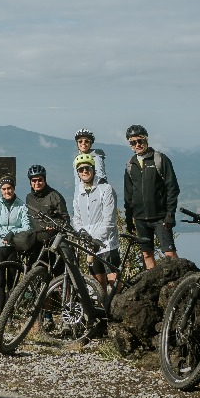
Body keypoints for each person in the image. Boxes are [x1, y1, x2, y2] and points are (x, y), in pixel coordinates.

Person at [123, 125, 180, 270]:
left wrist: (170, 214)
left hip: (160, 218)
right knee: (147, 255)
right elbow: (128, 195)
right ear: (130, 144)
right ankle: (154, 287)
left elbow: (172, 188)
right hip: (140, 219)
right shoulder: (130, 165)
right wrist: (129, 219)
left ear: (146, 139)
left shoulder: (159, 159)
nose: (137, 144)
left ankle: (178, 287)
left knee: (169, 254)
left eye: (140, 140)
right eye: (133, 142)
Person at [73, 154, 120, 291]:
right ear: (78, 173)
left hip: (107, 244)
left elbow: (109, 219)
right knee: (98, 287)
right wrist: (81, 233)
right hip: (90, 245)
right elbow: (77, 219)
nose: (85, 171)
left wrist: (98, 239)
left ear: (93, 169)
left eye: (87, 168)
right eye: (81, 170)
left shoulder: (105, 189)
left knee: (115, 285)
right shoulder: (78, 194)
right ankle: (105, 312)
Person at [0, 174, 33, 313]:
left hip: (14, 246)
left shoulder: (21, 205)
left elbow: (27, 226)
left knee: (12, 282)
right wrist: (6, 233)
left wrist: (12, 233)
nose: (7, 191)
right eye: (4, 189)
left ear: (13, 188)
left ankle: (10, 313)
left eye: (10, 188)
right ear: (1, 190)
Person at [25, 164, 69, 251]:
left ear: (44, 180)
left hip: (53, 240)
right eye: (34, 180)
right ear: (30, 182)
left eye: (40, 180)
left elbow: (65, 219)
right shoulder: (29, 198)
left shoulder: (54, 196)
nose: (37, 183)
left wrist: (54, 225)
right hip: (35, 240)